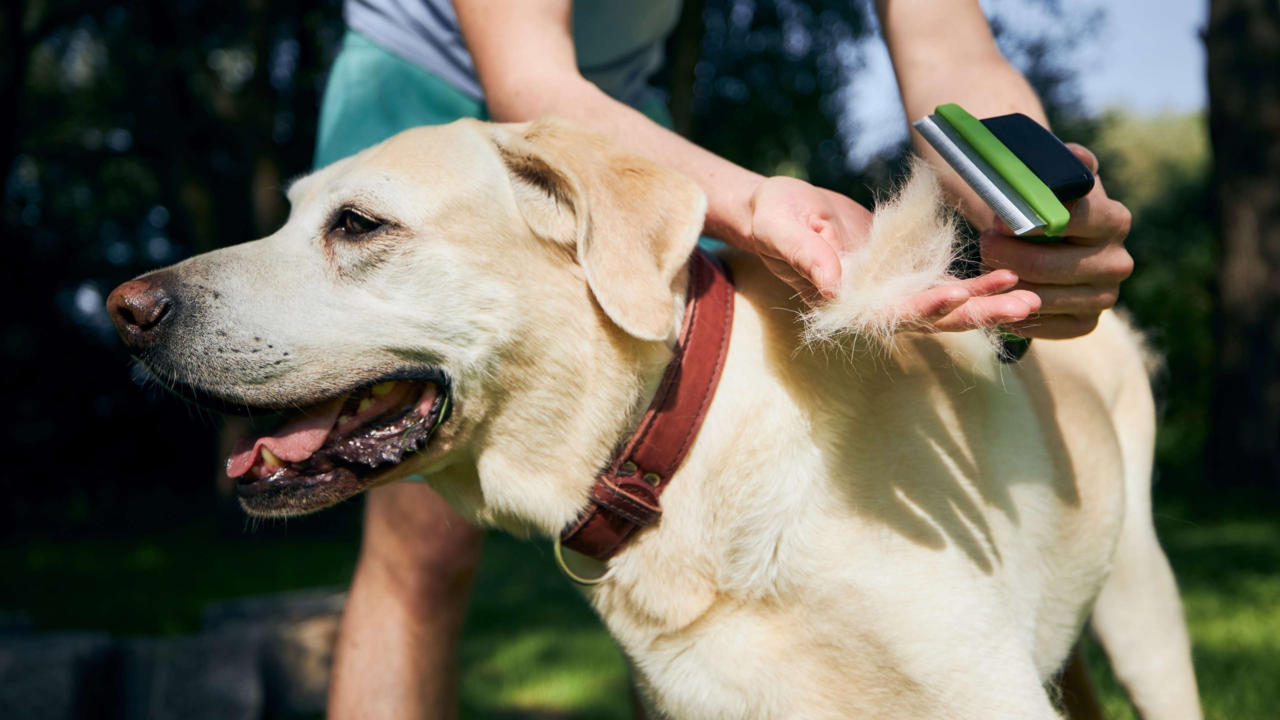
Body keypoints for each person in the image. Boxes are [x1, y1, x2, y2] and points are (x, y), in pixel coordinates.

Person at [316, 1, 1133, 717]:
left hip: (612, 110)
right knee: (423, 539)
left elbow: (949, 47)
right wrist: (749, 202)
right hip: (434, 86)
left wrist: (1036, 206)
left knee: (674, 498)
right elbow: (528, 80)